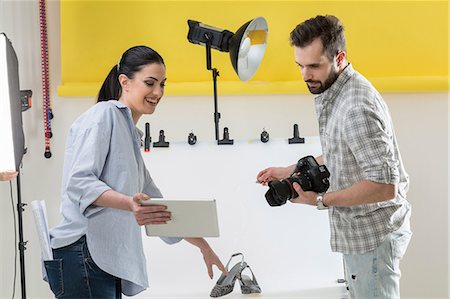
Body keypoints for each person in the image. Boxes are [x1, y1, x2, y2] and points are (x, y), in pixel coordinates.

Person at [46, 46, 226, 298]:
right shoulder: (104, 115)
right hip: (83, 253)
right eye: (150, 83)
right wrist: (129, 203)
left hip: (101, 259)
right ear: (125, 82)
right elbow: (80, 183)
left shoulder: (129, 135)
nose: (158, 92)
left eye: (163, 84)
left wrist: (203, 246)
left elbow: (157, 206)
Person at [256, 15, 411, 299]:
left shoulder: (355, 106)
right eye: (300, 65)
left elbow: (384, 186)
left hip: (372, 240)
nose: (305, 75)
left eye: (314, 66)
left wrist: (319, 200)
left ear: (339, 57)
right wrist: (289, 169)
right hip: (362, 237)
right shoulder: (338, 91)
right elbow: (345, 150)